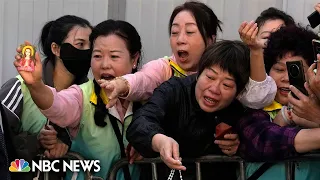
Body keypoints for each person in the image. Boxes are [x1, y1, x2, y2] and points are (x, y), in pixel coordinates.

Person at [13, 19, 143, 180]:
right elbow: (57, 104)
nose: (104, 64)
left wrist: (150, 143)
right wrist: (36, 85)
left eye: (114, 56)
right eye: (97, 56)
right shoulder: (81, 95)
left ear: (134, 59)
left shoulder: (147, 96)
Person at [98, 1, 276, 112]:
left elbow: (258, 98)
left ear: (210, 39)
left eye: (190, 32)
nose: (180, 39)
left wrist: (255, 51)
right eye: (174, 32)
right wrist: (122, 84)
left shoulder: (229, 66)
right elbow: (144, 79)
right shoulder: (164, 69)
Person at [127, 40, 250, 180]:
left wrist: (239, 147)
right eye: (210, 77)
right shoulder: (174, 90)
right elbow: (141, 121)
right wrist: (159, 141)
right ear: (199, 73)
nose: (214, 89)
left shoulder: (238, 110)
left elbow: (259, 142)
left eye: (227, 85)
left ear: (238, 92)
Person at [1, 15, 92, 180]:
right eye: (80, 44)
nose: (87, 51)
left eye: (91, 46)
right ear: (56, 49)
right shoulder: (20, 87)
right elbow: (2, 140)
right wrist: (37, 141)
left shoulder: (90, 95)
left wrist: (65, 143)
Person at [245, 25, 320, 180]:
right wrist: (287, 116)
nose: (286, 78)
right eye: (279, 70)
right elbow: (264, 139)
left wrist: (316, 116)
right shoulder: (253, 107)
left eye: (295, 70)